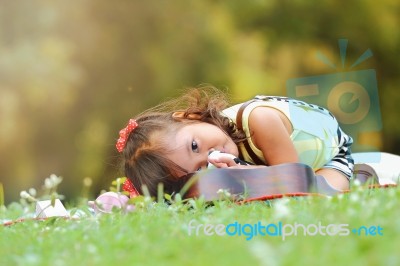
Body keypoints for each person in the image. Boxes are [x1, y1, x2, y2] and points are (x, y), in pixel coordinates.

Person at [115, 86, 355, 198]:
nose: (210, 157)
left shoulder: (260, 120)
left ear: (188, 117)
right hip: (290, 161)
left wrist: (251, 173)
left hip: (333, 151)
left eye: (195, 146)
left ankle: (363, 170)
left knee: (322, 193)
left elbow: (294, 183)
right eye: (199, 169)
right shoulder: (221, 156)